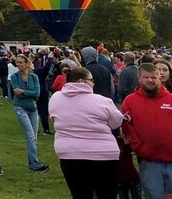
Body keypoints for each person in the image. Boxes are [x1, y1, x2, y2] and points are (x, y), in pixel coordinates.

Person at [49, 65, 123, 199]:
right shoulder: (103, 101)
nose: (93, 84)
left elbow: (54, 117)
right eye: (91, 80)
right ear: (81, 81)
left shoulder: (55, 98)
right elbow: (116, 123)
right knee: (107, 194)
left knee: (80, 194)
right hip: (103, 155)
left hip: (69, 154)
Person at [121, 62, 172, 199]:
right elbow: (127, 127)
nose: (150, 80)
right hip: (148, 160)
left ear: (159, 78)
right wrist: (138, 147)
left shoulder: (170, 99)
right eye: (146, 77)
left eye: (153, 77)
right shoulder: (130, 101)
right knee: (154, 195)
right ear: (139, 79)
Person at [10, 54, 50, 173]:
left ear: (26, 64)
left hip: (32, 108)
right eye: (17, 62)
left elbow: (37, 93)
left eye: (21, 62)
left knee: (34, 137)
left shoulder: (34, 77)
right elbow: (17, 93)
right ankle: (35, 163)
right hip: (20, 107)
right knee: (30, 135)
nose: (18, 64)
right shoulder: (14, 77)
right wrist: (28, 93)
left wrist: (23, 91)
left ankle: (32, 163)